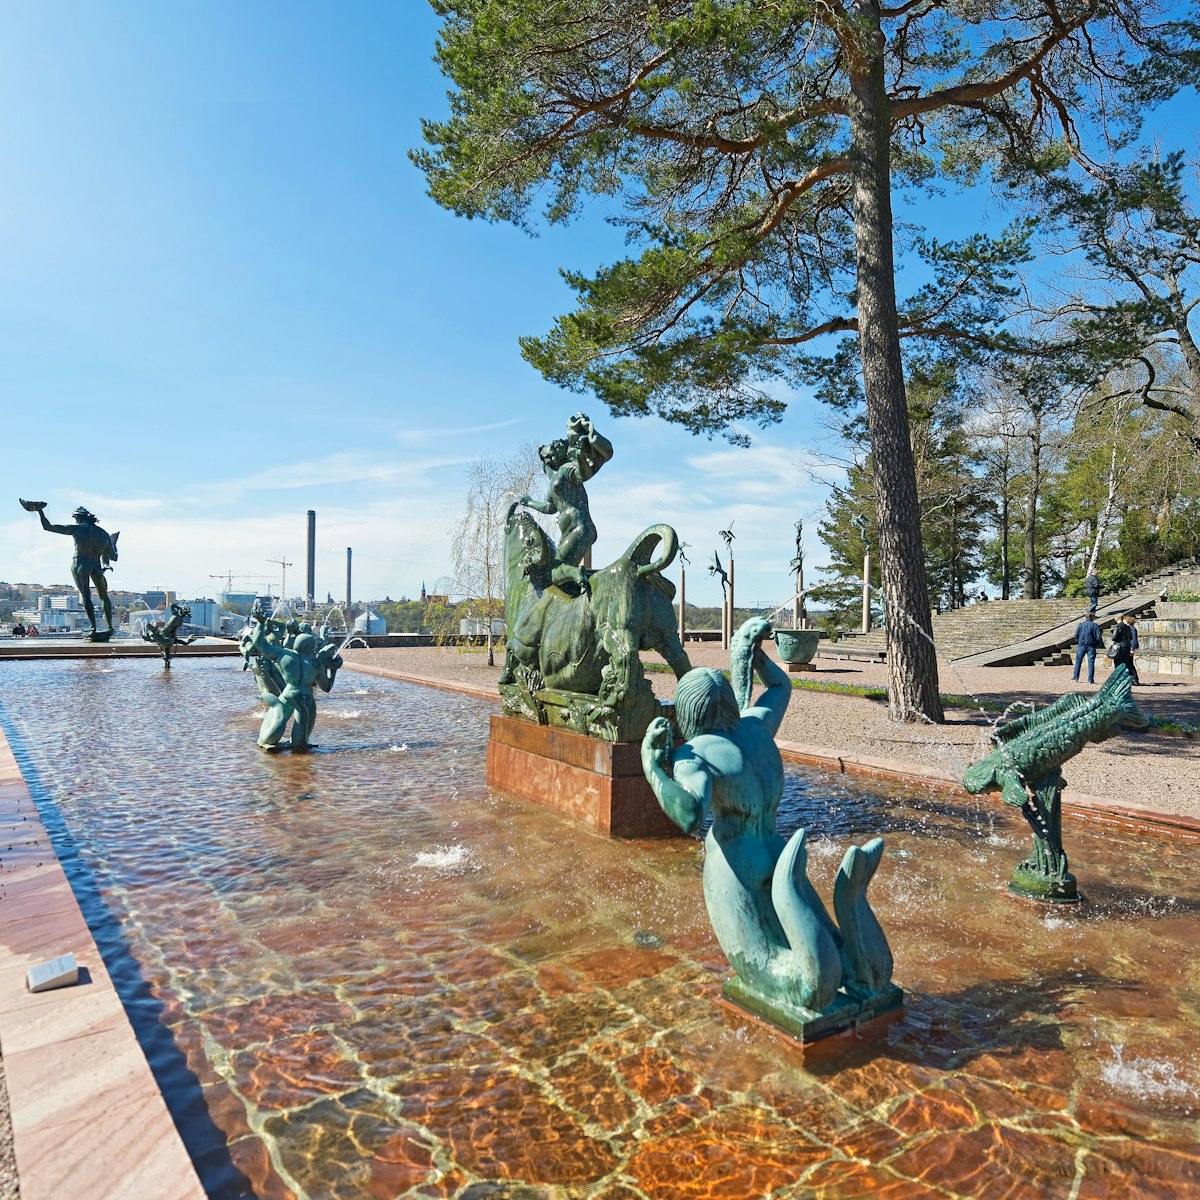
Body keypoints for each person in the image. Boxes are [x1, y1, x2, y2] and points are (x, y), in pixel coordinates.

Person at [22, 502, 119, 640]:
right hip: (96, 566)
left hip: (80, 563)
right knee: (104, 597)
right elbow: (114, 557)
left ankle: (93, 627)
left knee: (86, 596)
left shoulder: (77, 529)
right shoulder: (103, 534)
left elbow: (48, 527)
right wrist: (113, 544)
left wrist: (40, 511)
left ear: (80, 518)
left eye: (76, 519)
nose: (76, 521)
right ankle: (110, 626)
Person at [1072, 609, 1104, 683]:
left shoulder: (1081, 625)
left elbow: (1076, 635)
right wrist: (1095, 644)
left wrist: (1079, 641)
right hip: (1091, 646)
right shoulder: (1095, 625)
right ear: (1092, 617)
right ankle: (1090, 679)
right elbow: (1099, 637)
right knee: (1091, 663)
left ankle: (1076, 677)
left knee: (1078, 662)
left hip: (1081, 645)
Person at [1110, 612, 1140, 685]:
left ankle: (1134, 679)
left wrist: (1132, 649)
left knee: (1129, 665)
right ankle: (1131, 679)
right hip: (1127, 647)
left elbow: (1133, 639)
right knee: (1128, 664)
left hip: (1127, 648)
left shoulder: (1131, 629)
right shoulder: (1128, 628)